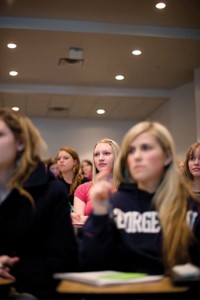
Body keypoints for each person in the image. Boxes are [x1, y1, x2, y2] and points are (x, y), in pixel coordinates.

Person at [78, 121, 200, 274]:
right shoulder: (115, 204)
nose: (136, 156)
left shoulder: (189, 207)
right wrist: (99, 212)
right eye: (131, 150)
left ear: (167, 157)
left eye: (146, 148)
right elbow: (88, 261)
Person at [0, 108, 78, 300]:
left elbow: (63, 260)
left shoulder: (50, 191)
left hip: (31, 290)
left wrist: (12, 268)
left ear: (20, 143)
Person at [71, 138, 120, 224]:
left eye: (106, 153)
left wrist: (87, 219)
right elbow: (78, 221)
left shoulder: (128, 188)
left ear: (116, 157)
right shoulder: (83, 189)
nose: (100, 158)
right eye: (96, 154)